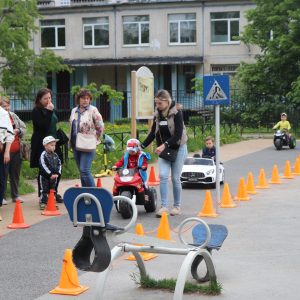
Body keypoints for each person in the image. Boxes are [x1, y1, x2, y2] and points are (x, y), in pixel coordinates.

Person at [141, 89, 188, 217]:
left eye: (160, 103)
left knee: (175, 178)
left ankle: (177, 207)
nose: (158, 106)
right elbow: (153, 133)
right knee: (162, 175)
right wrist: (141, 146)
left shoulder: (177, 113)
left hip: (178, 147)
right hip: (164, 149)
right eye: (156, 103)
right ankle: (164, 207)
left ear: (167, 101)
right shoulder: (157, 115)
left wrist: (164, 145)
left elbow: (178, 134)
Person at [30, 88, 63, 203]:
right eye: (45, 98)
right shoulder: (36, 111)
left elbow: (54, 122)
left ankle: (54, 192)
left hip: (54, 141)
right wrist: (49, 112)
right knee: (44, 170)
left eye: (49, 97)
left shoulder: (51, 109)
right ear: (39, 99)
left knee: (58, 166)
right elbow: (42, 125)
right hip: (42, 143)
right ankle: (43, 195)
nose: (48, 100)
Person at [69, 89, 104, 187]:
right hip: (75, 143)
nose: (85, 100)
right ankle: (86, 196)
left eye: (87, 98)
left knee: (84, 170)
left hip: (88, 143)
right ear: (78, 99)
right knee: (81, 171)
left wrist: (95, 138)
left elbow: (100, 126)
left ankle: (94, 194)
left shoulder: (93, 110)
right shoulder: (74, 111)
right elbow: (71, 126)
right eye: (83, 98)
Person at [0, 96, 26, 204]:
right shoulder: (1, 117)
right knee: (3, 175)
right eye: (3, 106)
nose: (6, 108)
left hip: (16, 149)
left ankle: (15, 195)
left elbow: (24, 127)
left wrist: (18, 131)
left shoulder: (13, 116)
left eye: (7, 106)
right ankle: (3, 196)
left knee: (15, 174)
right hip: (5, 151)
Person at [38, 136, 62, 210]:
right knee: (44, 189)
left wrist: (58, 173)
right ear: (45, 145)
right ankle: (43, 202)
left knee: (53, 189)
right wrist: (50, 174)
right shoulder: (43, 155)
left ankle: (52, 202)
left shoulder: (55, 155)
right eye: (51, 145)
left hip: (54, 176)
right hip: (45, 176)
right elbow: (43, 165)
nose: (53, 147)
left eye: (54, 145)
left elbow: (59, 164)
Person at [0, 106, 14, 220]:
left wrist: (7, 152)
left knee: (1, 178)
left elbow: (10, 134)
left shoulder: (3, 114)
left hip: (1, 149)